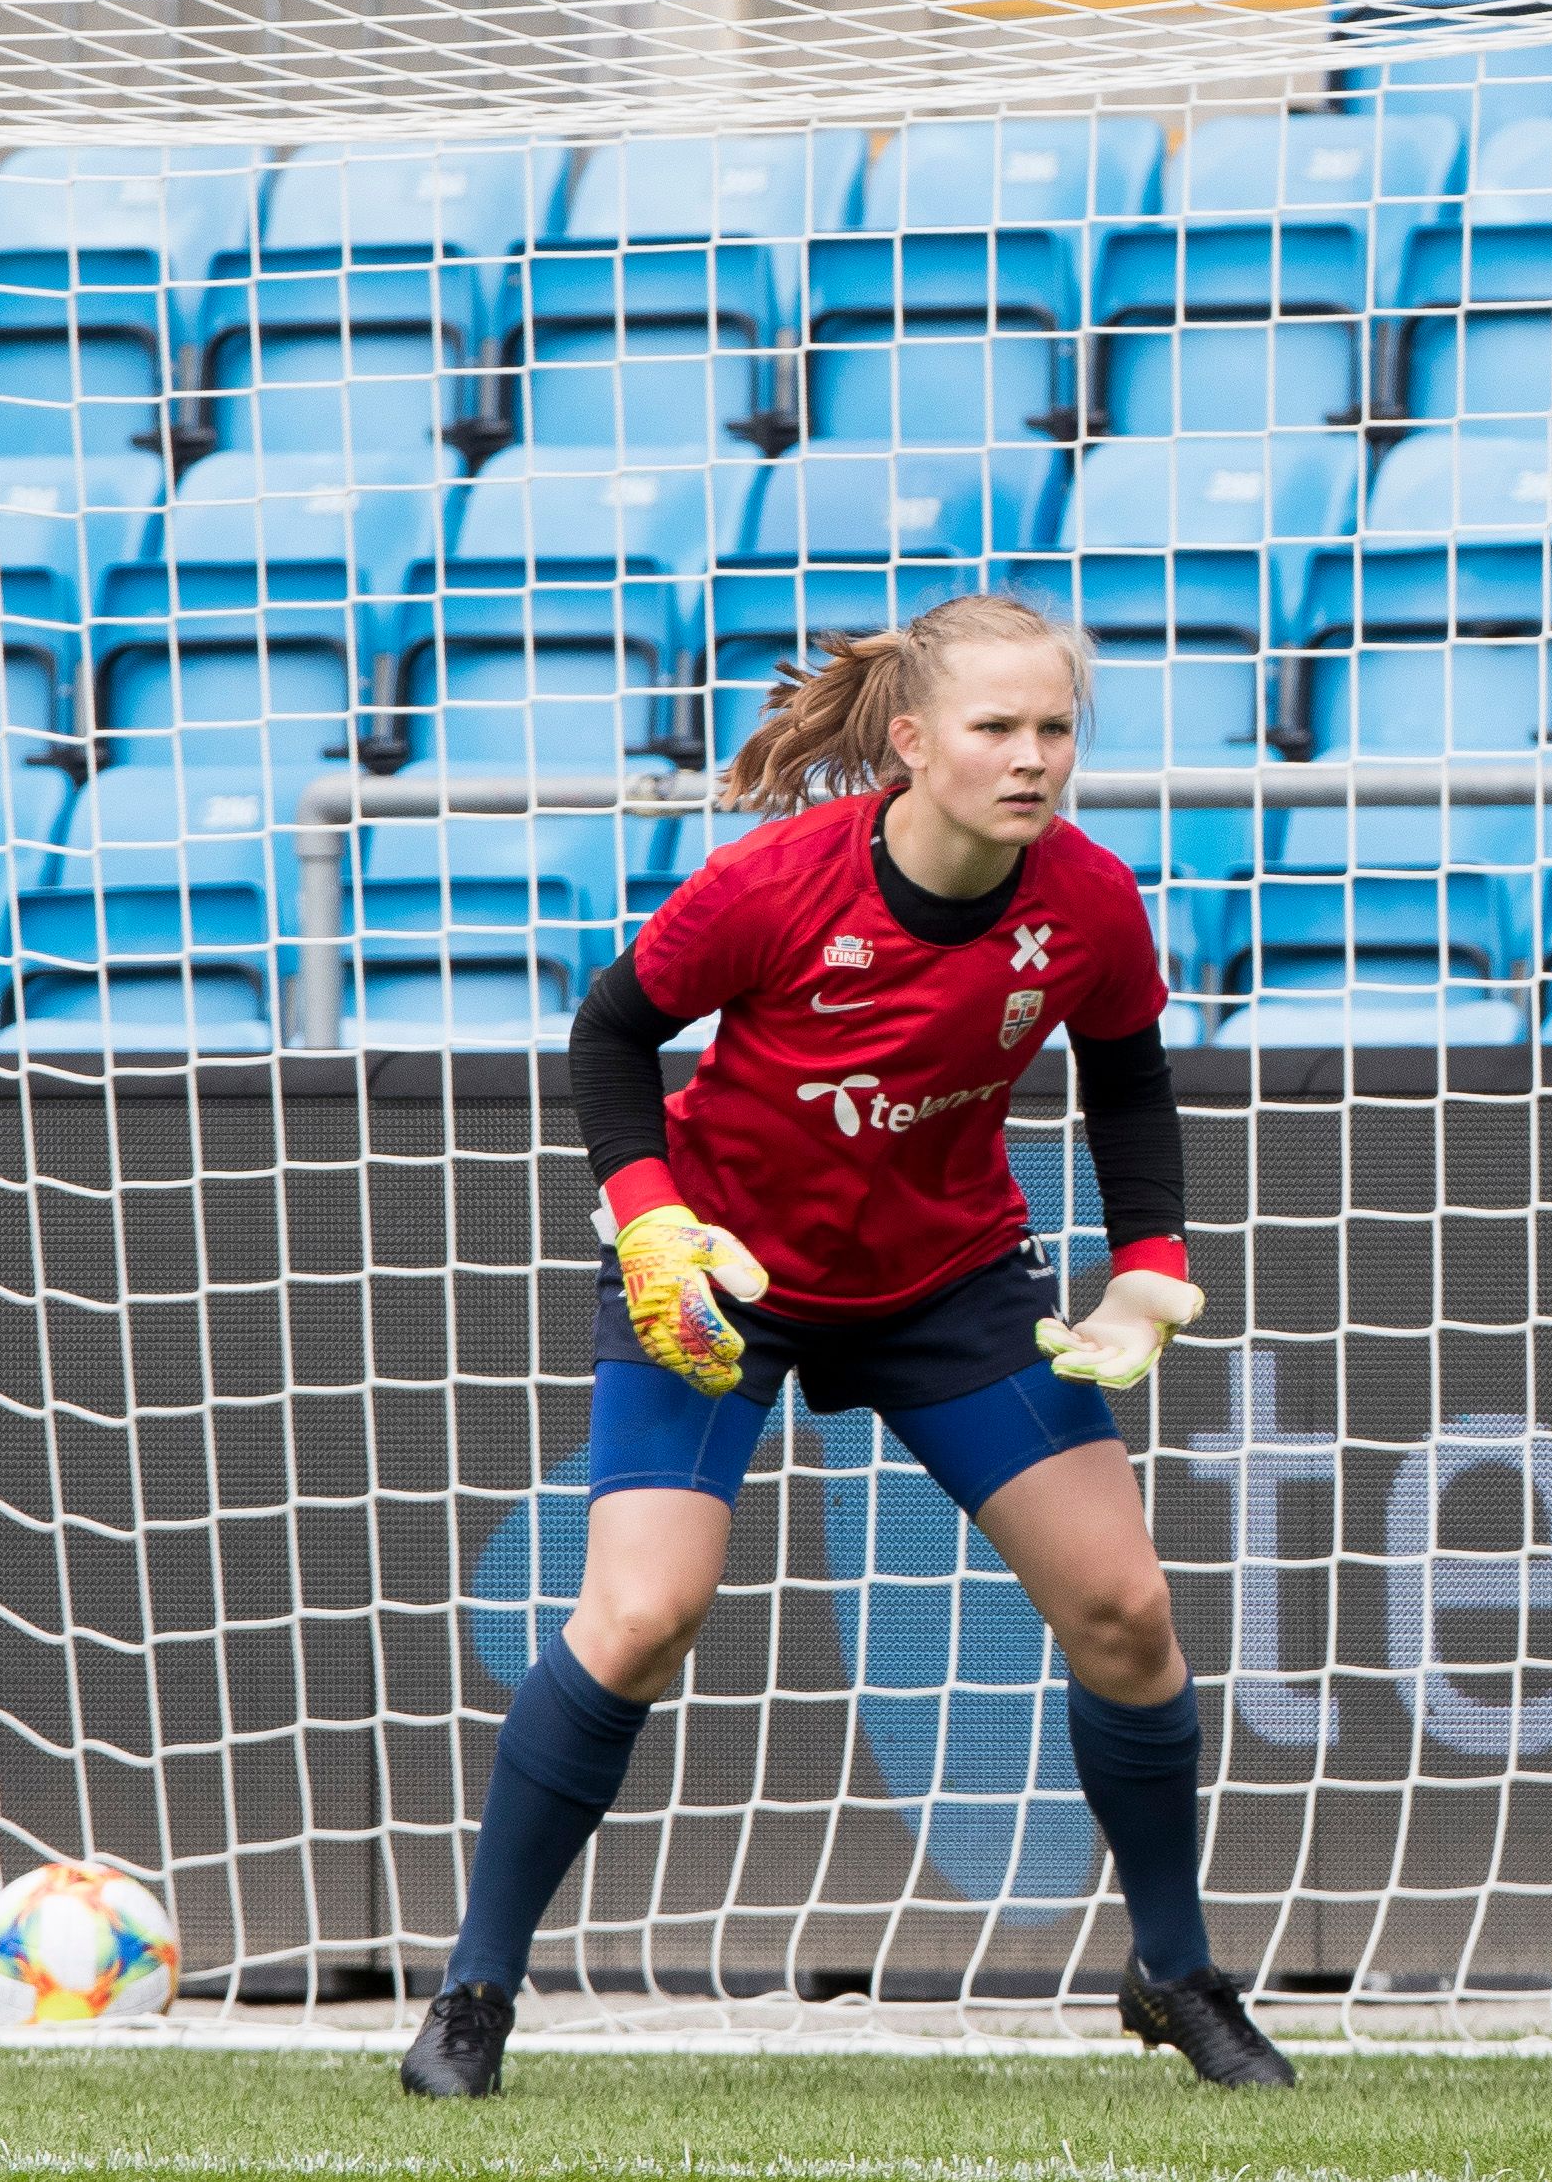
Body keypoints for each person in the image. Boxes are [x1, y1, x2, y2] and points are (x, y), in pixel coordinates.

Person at [400, 592, 1294, 2097]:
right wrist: (649, 1221)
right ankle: (475, 1992)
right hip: (724, 1271)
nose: (1033, 757)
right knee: (640, 1617)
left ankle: (1176, 1971)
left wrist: (1149, 1262)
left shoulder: (1088, 897)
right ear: (913, 742)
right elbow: (610, 1035)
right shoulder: (776, 881)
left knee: (1127, 1610)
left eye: (1056, 727)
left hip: (948, 1279)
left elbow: (1130, 1079)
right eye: (997, 727)